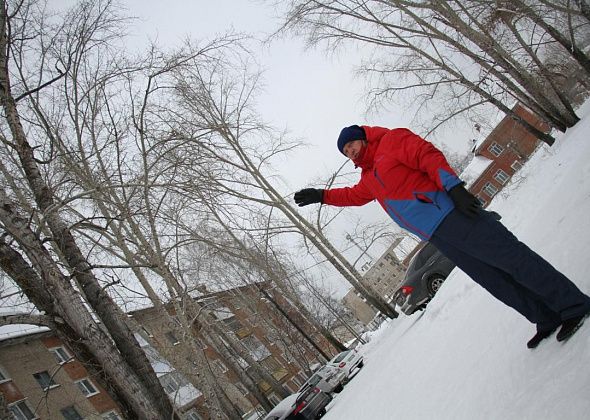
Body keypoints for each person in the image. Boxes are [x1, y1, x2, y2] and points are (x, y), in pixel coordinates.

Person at [294, 125, 590, 349]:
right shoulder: (369, 177)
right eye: (345, 152)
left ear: (362, 136)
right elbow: (354, 196)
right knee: (493, 279)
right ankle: (545, 316)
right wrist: (323, 195)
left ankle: (572, 305)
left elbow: (427, 156)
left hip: (453, 214)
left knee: (513, 260)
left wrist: (454, 187)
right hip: (438, 234)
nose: (350, 152)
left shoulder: (392, 140)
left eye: (350, 145)